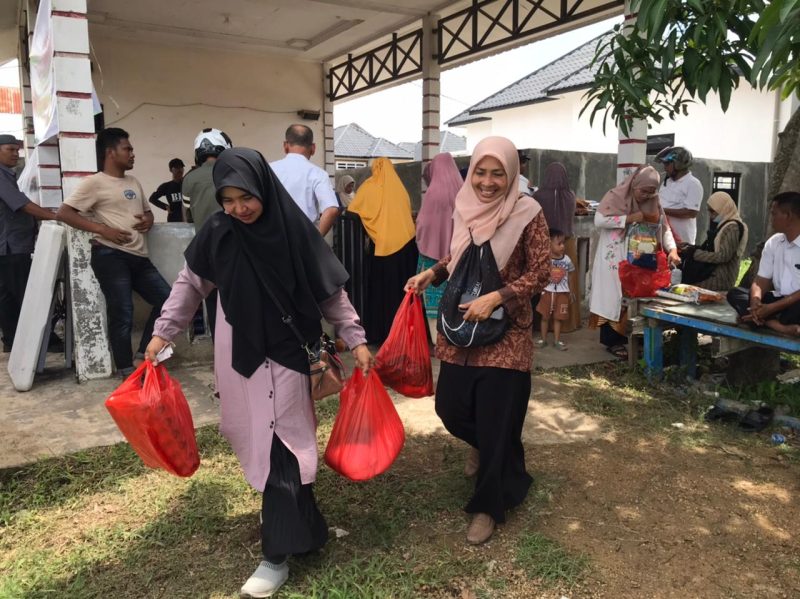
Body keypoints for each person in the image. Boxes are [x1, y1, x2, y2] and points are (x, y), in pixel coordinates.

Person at [144, 147, 373, 598]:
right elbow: (190, 286)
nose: (237, 208)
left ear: (262, 187)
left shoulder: (293, 231)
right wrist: (163, 333)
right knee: (266, 443)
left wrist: (357, 337)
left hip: (288, 354)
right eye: (227, 199)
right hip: (241, 356)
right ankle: (308, 533)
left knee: (282, 448)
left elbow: (331, 295)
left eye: (244, 196)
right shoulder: (218, 232)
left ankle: (276, 556)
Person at [406, 136, 550, 545]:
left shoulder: (528, 212)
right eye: (481, 172)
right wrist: (431, 274)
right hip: (460, 328)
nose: (487, 182)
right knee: (449, 408)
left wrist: (498, 296)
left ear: (511, 174)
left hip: (507, 333)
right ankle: (488, 446)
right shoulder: (464, 205)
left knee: (496, 417)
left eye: (497, 173)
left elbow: (541, 272)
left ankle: (488, 506)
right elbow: (458, 258)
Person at [56, 127, 171, 377]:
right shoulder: (94, 183)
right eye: (127, 149)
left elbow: (147, 211)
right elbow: (64, 212)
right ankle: (126, 370)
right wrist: (101, 229)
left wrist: (149, 219)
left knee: (168, 300)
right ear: (111, 153)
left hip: (139, 256)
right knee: (122, 312)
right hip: (110, 254)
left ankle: (142, 355)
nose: (132, 154)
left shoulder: (133, 182)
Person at [588, 166, 680, 360]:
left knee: (635, 297)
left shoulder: (653, 202)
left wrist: (672, 250)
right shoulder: (615, 197)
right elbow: (599, 220)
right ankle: (613, 341)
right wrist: (628, 219)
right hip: (613, 257)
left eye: (651, 192)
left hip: (640, 258)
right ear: (634, 185)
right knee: (613, 296)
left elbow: (663, 228)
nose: (646, 196)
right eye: (643, 191)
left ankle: (633, 338)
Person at [347, 157, 418, 344]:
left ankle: (382, 334)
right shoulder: (400, 189)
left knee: (382, 294)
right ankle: (404, 333)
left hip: (383, 249)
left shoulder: (370, 186)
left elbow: (352, 211)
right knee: (402, 293)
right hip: (407, 247)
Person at [0, 134, 57, 351]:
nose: (16, 154)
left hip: (9, 247)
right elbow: (21, 204)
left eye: (17, 150)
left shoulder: (8, 175)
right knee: (26, 295)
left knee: (8, 297)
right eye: (10, 149)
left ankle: (11, 341)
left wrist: (46, 213)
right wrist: (56, 216)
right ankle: (42, 342)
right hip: (12, 246)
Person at [182, 128, 233, 338]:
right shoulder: (232, 172)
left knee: (212, 304)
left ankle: (218, 350)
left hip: (206, 254)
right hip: (236, 250)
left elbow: (189, 217)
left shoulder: (189, 179)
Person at [727, 191, 800, 336]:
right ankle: (778, 325)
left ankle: (760, 319)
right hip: (779, 301)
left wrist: (772, 308)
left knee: (793, 310)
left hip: (795, 303)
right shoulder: (774, 242)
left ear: (789, 216)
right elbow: (761, 281)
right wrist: (755, 302)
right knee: (735, 294)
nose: (771, 218)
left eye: (774, 214)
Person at [533, 162, 579, 331]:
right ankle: (568, 324)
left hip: (545, 244)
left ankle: (542, 323)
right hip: (567, 243)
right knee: (567, 283)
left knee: (545, 284)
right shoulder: (570, 196)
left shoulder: (538, 196)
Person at [270, 124, 339, 236]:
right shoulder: (318, 174)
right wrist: (316, 241)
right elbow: (331, 210)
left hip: (272, 238)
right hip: (303, 239)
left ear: (285, 145)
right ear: (313, 148)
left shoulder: (269, 169)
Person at [415, 152, 461, 318]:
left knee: (434, 305)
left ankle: (437, 340)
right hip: (458, 256)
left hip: (432, 258)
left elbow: (423, 225)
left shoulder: (433, 193)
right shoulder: (463, 190)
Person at [679, 191, 748, 291]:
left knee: (687, 290)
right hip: (712, 273)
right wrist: (691, 248)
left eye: (713, 211)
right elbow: (712, 248)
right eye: (709, 211)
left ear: (724, 209)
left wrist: (695, 254)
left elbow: (723, 256)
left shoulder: (733, 228)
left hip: (720, 277)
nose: (710, 215)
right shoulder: (724, 225)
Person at [655, 146, 704, 244]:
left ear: (678, 164)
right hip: (664, 239)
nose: (665, 167)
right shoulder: (666, 183)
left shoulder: (692, 184)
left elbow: (691, 213)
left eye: (667, 164)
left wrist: (662, 211)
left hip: (682, 242)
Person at [535, 228, 575, 350]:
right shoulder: (545, 260)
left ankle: (557, 341)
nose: (562, 246)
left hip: (562, 293)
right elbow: (540, 275)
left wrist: (571, 291)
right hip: (547, 292)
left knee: (559, 318)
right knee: (545, 317)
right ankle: (543, 340)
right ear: (549, 244)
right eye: (559, 243)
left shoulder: (567, 260)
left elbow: (571, 276)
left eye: (563, 243)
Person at [148, 158, 185, 222]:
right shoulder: (167, 186)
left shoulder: (188, 184)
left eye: (181, 167)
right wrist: (165, 206)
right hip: (174, 219)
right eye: (176, 167)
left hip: (189, 219)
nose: (179, 169)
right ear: (171, 170)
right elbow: (152, 198)